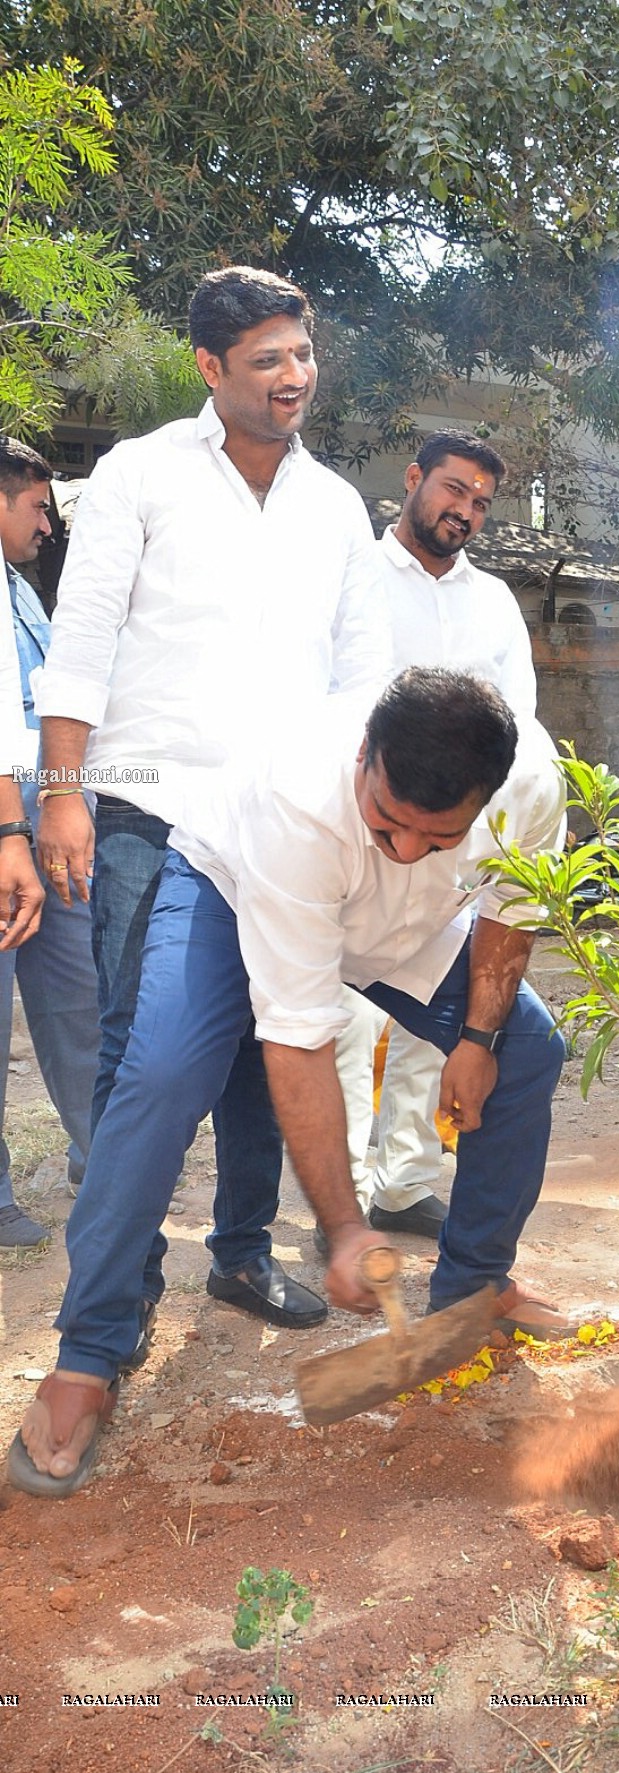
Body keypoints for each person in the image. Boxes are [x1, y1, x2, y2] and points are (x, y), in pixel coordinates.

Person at [8, 669, 570, 1497]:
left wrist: (479, 1037)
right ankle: (88, 1350)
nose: (409, 847)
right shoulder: (297, 802)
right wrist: (344, 1229)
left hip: (398, 922)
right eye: (388, 823)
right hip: (232, 887)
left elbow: (511, 910)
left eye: (437, 836)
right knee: (161, 1075)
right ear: (361, 758)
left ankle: (469, 1296)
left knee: (529, 1049)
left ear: (486, 800)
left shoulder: (531, 782)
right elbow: (299, 1041)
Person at [34, 265, 390, 1339]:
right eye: (268, 359)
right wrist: (61, 790)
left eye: (303, 352)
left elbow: (362, 678)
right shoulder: (139, 474)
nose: (295, 378)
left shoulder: (336, 507)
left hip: (282, 824)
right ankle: (124, 1282)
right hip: (147, 806)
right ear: (209, 367)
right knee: (140, 1052)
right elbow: (83, 642)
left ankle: (241, 1252)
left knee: (265, 1041)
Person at [335, 432, 539, 1245]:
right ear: (413, 479)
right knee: (346, 1021)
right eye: (454, 489)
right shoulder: (353, 577)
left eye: (482, 501)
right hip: (368, 831)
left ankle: (406, 1183)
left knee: (433, 1027)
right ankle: (344, 1197)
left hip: (460, 846)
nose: (465, 510)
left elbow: (517, 720)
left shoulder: (491, 600)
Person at [0, 437, 101, 1247]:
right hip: (5, 826)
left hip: (46, 822)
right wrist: (9, 831)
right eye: (38, 506)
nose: (48, 523)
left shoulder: (23, 591)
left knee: (78, 997)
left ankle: (101, 1150)